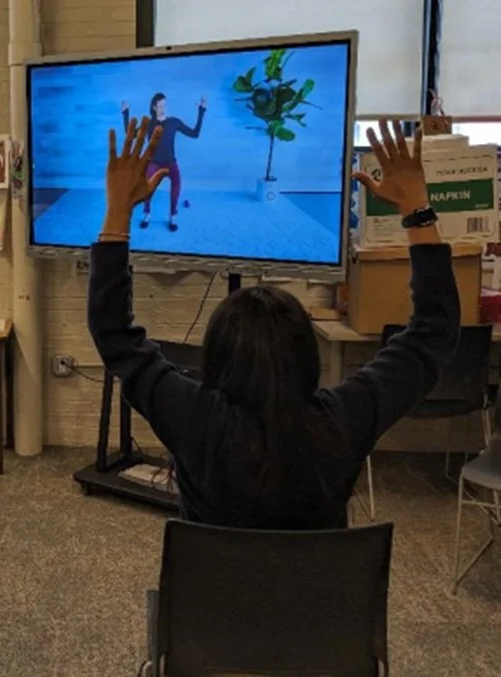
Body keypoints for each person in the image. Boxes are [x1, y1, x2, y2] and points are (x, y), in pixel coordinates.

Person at [88, 117, 459, 529]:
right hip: (318, 595)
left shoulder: (195, 420)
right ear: (306, 355)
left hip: (211, 592)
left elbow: (113, 334)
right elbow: (433, 334)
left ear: (215, 357)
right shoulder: (343, 421)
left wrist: (118, 210)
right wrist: (418, 212)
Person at [122, 93, 206, 232]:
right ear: (154, 107)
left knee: (177, 186)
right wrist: (125, 112)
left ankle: (173, 217)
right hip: (154, 163)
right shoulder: (149, 123)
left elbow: (195, 134)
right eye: (160, 105)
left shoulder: (173, 122)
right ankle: (146, 215)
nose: (163, 108)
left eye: (164, 105)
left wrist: (201, 110)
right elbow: (130, 134)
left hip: (170, 163)